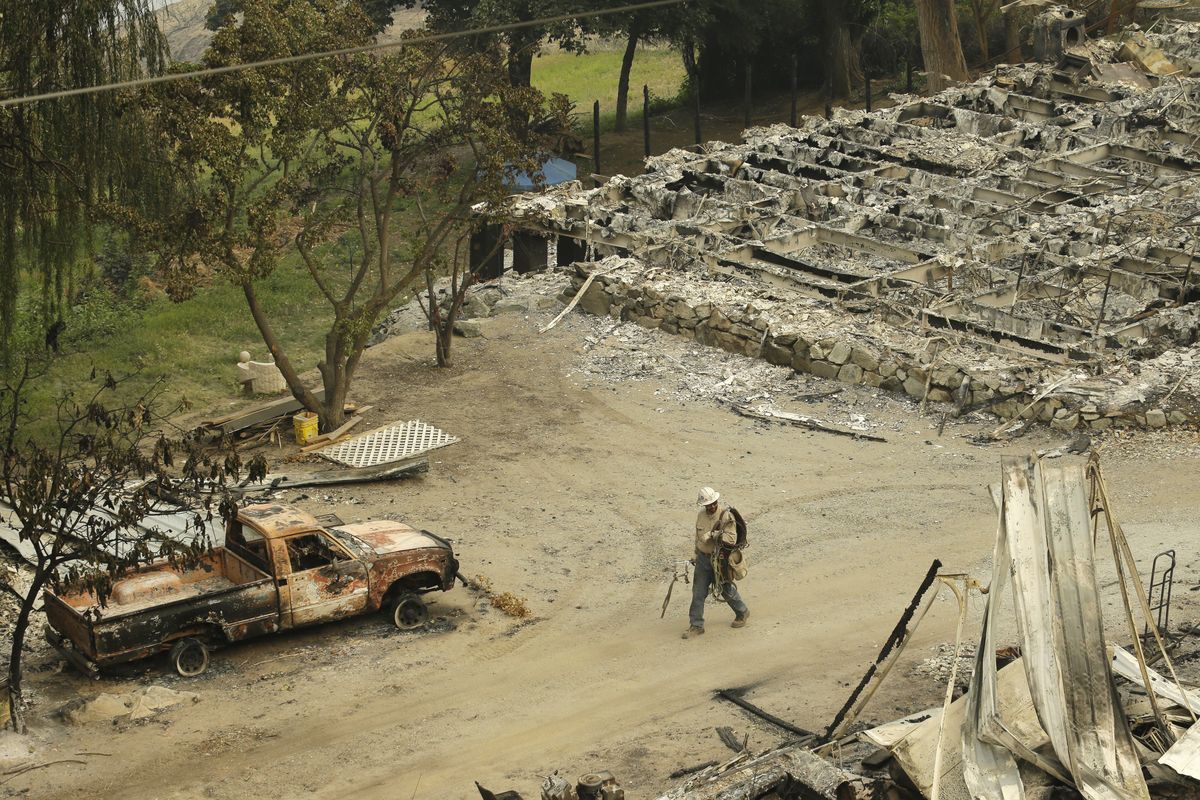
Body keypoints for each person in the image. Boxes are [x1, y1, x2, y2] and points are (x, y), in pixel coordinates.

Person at [683, 486, 749, 639]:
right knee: (698, 593)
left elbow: (731, 539)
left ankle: (742, 612)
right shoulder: (701, 516)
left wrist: (713, 534)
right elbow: (697, 537)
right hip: (703, 560)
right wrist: (695, 554)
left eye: (714, 503)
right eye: (708, 505)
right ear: (703, 505)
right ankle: (696, 625)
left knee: (726, 589)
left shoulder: (726, 516)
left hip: (720, 561)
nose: (712, 507)